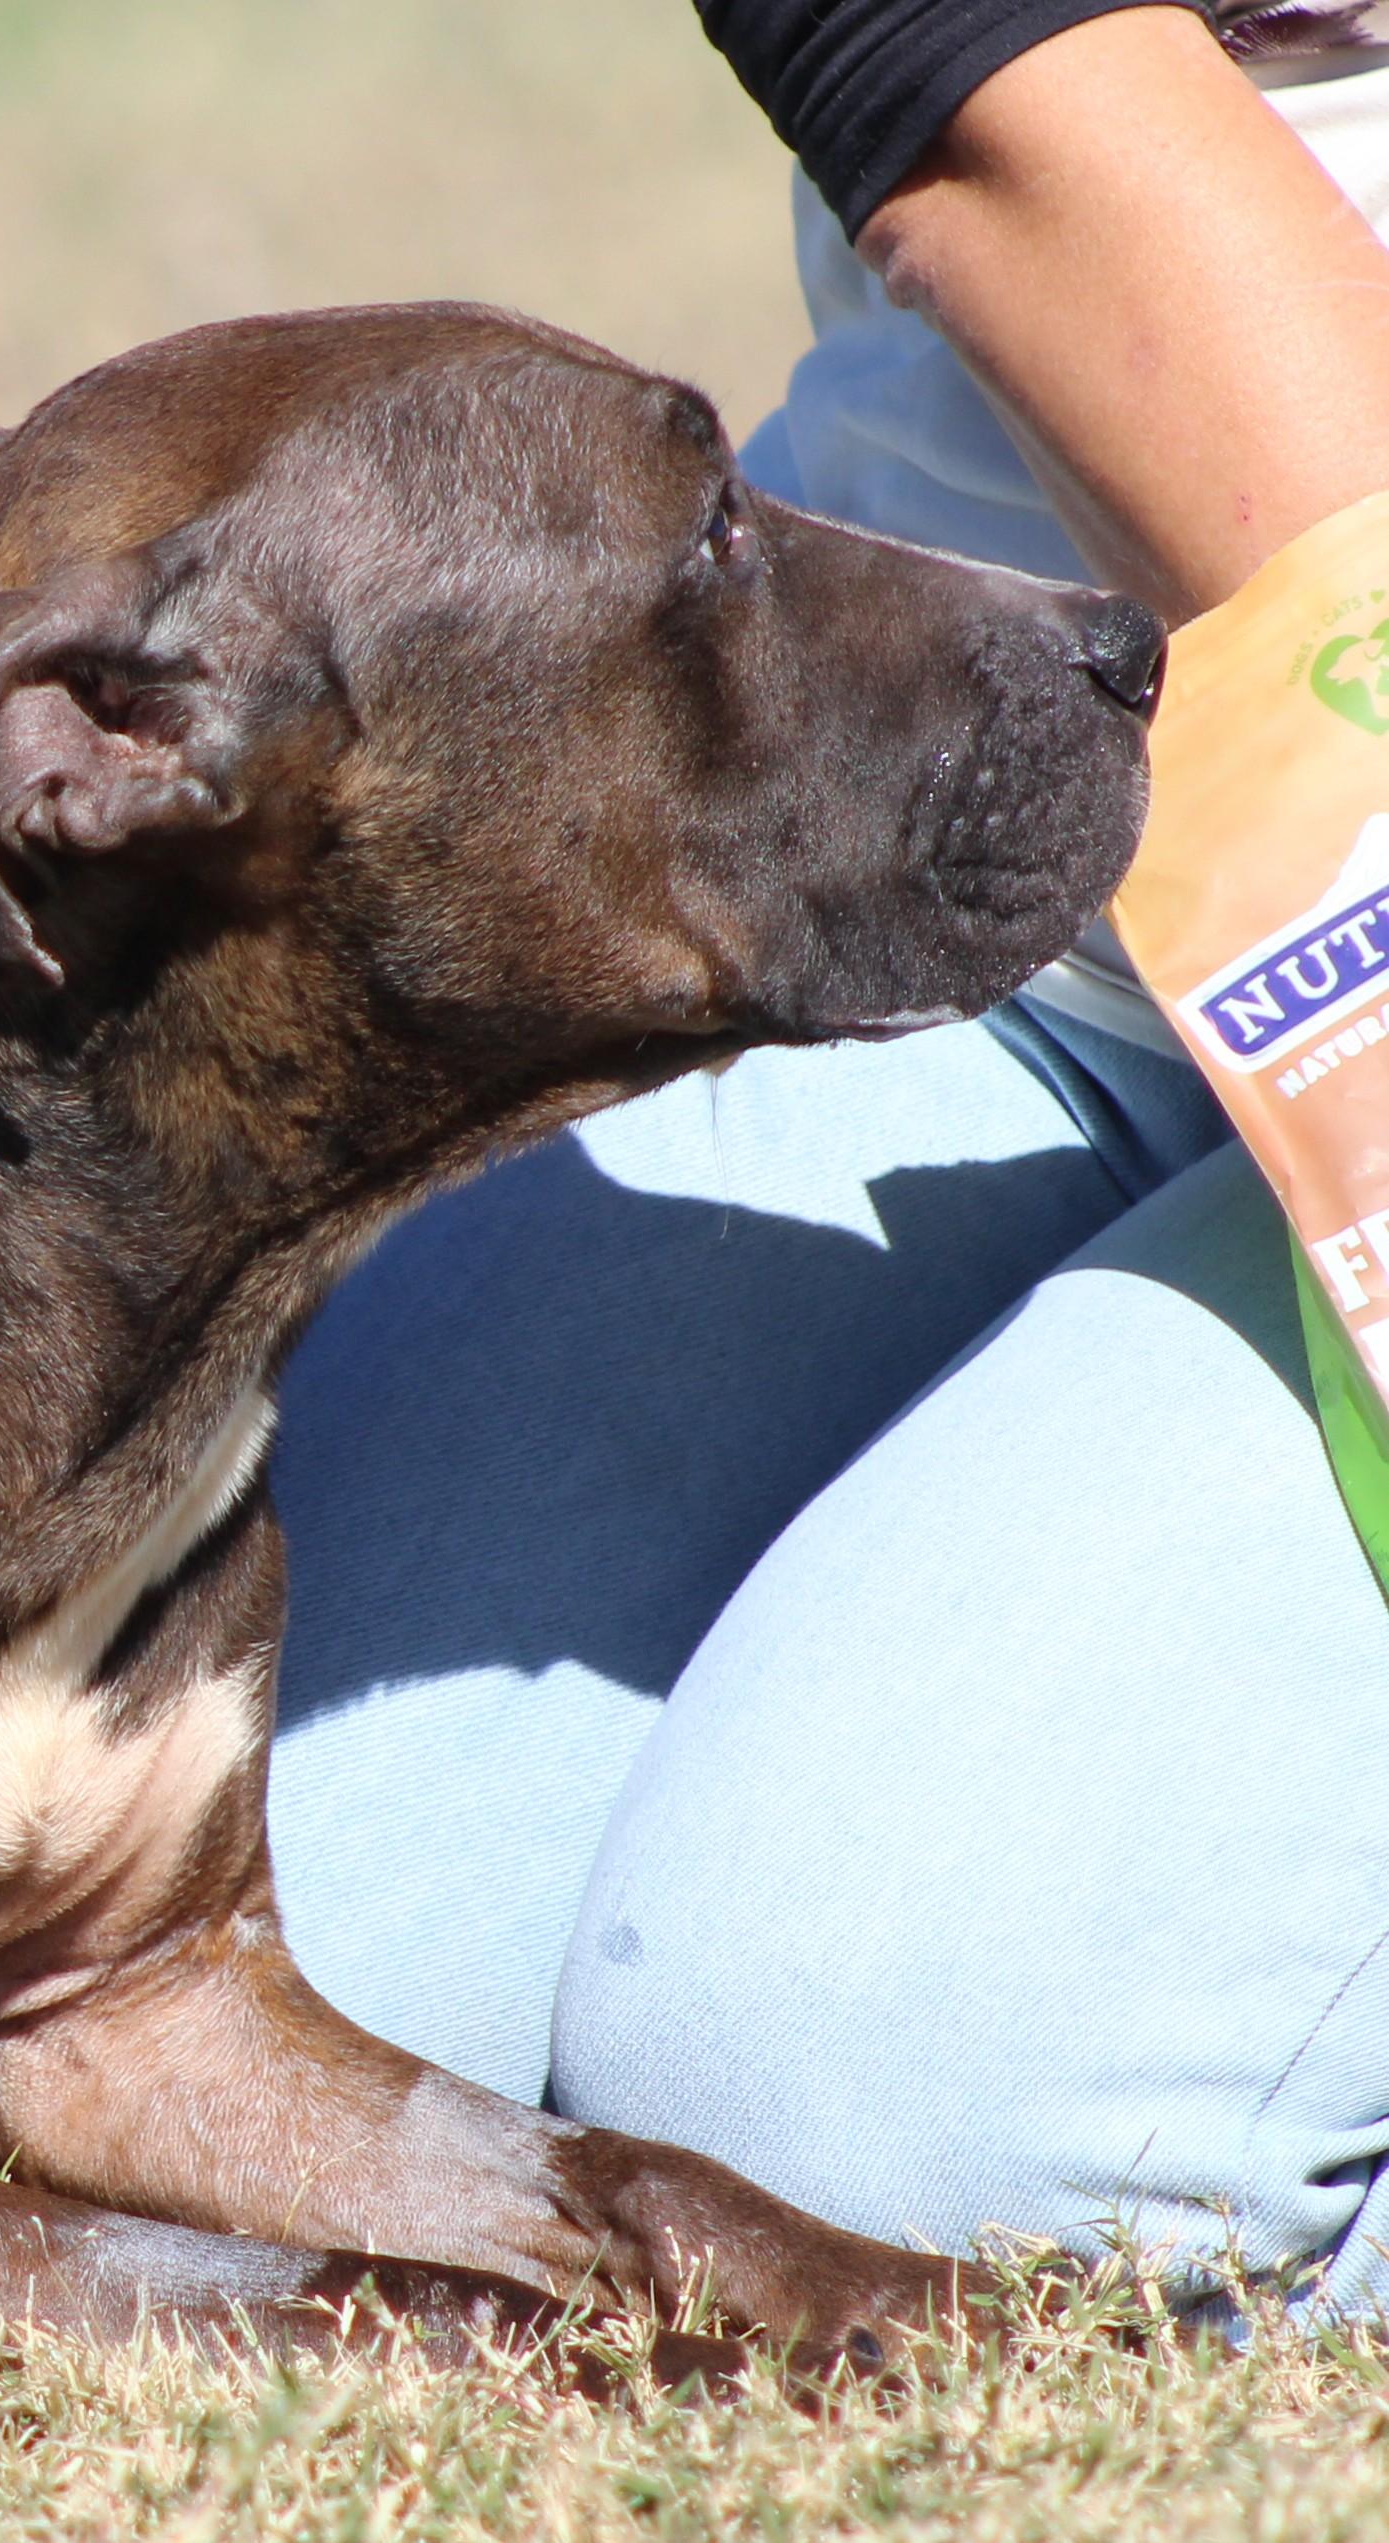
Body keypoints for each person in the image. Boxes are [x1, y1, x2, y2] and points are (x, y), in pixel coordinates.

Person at [262, 0, 1389, 2312]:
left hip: (1342, 865)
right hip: (992, 889)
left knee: (901, 2144)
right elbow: (980, 83)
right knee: (264, 1985)